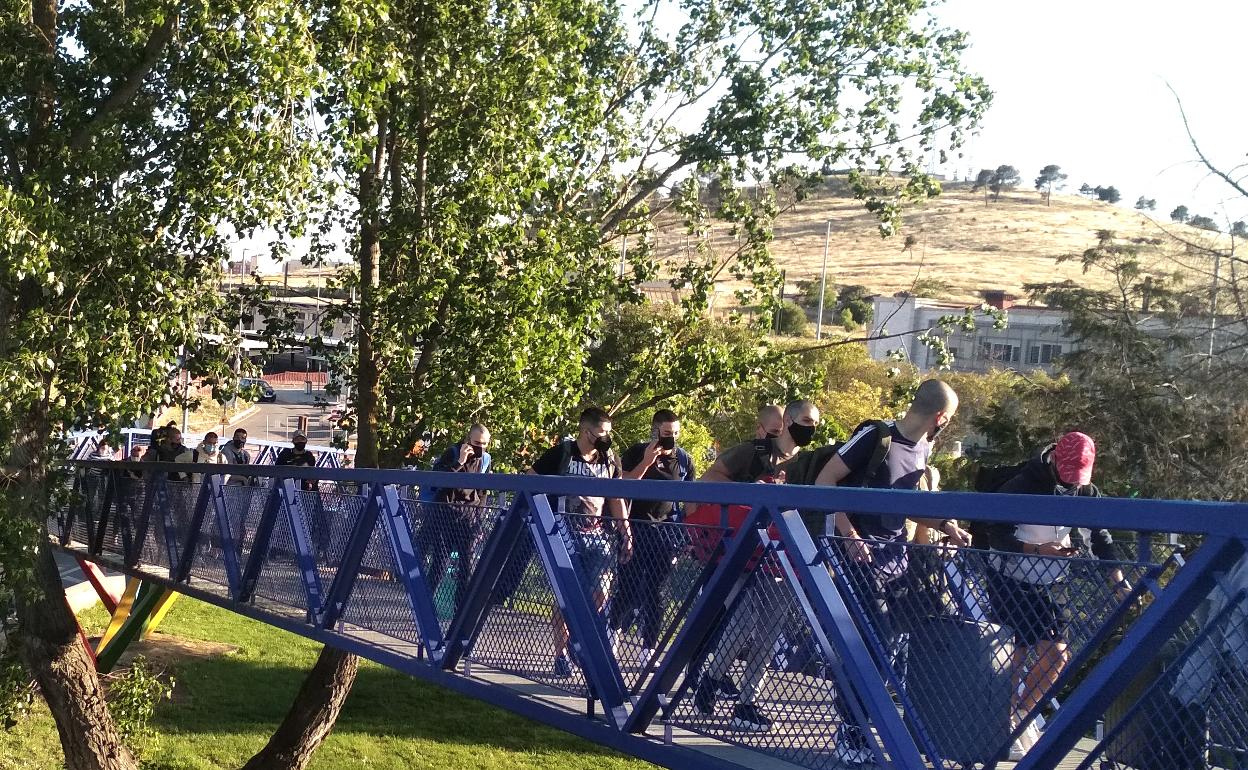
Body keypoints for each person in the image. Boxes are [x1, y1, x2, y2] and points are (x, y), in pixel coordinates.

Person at [814, 378, 970, 765]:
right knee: (875, 641)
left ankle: (862, 723)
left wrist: (945, 525)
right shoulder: (876, 436)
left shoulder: (924, 449)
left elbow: (906, 506)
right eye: (949, 420)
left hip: (894, 559)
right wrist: (850, 535)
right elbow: (824, 480)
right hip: (857, 556)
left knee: (892, 642)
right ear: (941, 417)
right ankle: (851, 727)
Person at [986, 432, 1129, 760]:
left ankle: (1021, 715)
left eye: (1078, 477)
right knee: (1015, 653)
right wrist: (1038, 550)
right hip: (1009, 575)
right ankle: (1003, 725)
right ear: (1054, 461)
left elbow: (1100, 535)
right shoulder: (1022, 484)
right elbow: (997, 535)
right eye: (1067, 474)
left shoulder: (1086, 491)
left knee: (1057, 655)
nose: (1071, 482)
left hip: (1052, 579)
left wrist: (1118, 582)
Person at [691, 399, 820, 733]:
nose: (812, 428)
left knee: (770, 629)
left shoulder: (807, 464)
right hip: (739, 549)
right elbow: (708, 480)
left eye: (816, 423)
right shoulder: (754, 451)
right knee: (743, 620)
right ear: (789, 421)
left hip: (779, 554)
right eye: (807, 421)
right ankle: (712, 678)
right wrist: (749, 490)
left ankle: (746, 702)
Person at [529, 406, 633, 678]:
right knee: (568, 594)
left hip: (597, 533)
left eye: (609, 433)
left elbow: (616, 498)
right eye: (601, 433)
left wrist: (626, 532)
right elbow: (530, 480)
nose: (606, 438)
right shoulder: (562, 453)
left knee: (600, 593)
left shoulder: (610, 460)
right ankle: (562, 653)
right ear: (586, 431)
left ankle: (578, 638)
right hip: (563, 532)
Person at [607, 409, 695, 670]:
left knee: (657, 593)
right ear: (655, 431)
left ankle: (649, 649)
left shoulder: (683, 460)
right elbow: (620, 486)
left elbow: (691, 499)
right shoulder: (637, 452)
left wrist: (690, 534)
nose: (672, 438)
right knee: (629, 588)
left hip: (665, 532)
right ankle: (612, 632)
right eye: (667, 433)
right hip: (634, 527)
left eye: (676, 433)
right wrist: (647, 462)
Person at [418, 424, 493, 618]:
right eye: (477, 443)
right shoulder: (452, 453)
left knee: (467, 565)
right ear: (468, 439)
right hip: (445, 513)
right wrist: (460, 461)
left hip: (468, 516)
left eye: (485, 444)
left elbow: (483, 492)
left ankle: (460, 613)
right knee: (440, 562)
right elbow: (437, 480)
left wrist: (479, 520)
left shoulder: (485, 460)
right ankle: (424, 609)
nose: (480, 447)